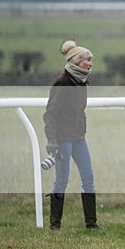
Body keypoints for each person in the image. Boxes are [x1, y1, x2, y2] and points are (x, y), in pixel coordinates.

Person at [43, 40, 99, 230]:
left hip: (78, 138)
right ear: (76, 61)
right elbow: (50, 113)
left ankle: (91, 223)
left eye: (91, 60)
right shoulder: (62, 82)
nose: (90, 64)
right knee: (62, 180)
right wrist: (52, 141)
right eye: (87, 60)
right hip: (62, 140)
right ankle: (55, 225)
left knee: (88, 178)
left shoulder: (81, 80)